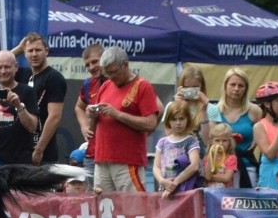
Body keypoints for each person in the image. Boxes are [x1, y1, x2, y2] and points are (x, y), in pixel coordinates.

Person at [88, 46, 159, 192]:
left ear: (125, 64)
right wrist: (92, 116)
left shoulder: (142, 86)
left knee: (133, 210)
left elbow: (151, 123)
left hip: (128, 161)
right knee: (103, 209)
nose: (111, 77)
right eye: (107, 73)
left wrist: (118, 114)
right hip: (102, 159)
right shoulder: (106, 85)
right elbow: (93, 129)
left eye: (113, 72)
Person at [0, 50, 39, 166]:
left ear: (16, 67)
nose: (3, 71)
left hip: (21, 160)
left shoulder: (27, 92)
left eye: (7, 67)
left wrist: (19, 106)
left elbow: (32, 127)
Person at [13, 32, 67, 165]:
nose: (34, 54)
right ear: (25, 53)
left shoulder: (54, 78)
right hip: (21, 147)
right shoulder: (23, 74)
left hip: (44, 151)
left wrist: (39, 149)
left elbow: (54, 117)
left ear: (46, 51)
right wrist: (19, 49)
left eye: (38, 50)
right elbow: (0, 65)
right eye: (30, 51)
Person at [206, 67, 263, 188]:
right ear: (225, 86)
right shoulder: (214, 110)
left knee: (246, 204)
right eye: (232, 84)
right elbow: (209, 139)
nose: (236, 89)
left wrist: (251, 147)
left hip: (247, 167)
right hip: (220, 168)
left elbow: (261, 137)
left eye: (241, 85)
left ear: (246, 88)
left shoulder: (255, 111)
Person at [152, 100, 201, 198]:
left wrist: (175, 182)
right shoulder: (162, 142)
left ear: (188, 119)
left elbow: (194, 166)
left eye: (181, 119)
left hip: (185, 191)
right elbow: (156, 167)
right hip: (164, 190)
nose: (178, 123)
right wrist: (162, 181)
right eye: (174, 119)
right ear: (168, 121)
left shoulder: (191, 141)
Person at [74, 43, 106, 187]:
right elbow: (79, 107)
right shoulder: (88, 84)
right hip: (93, 153)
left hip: (116, 154)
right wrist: (84, 127)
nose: (91, 67)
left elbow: (157, 109)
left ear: (105, 58)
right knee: (96, 202)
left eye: (94, 62)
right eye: (87, 65)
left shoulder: (120, 81)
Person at [163, 67, 212, 152]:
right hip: (176, 156)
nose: (190, 91)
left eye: (195, 87)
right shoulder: (171, 106)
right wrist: (178, 106)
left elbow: (207, 141)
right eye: (186, 87)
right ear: (180, 87)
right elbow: (170, 136)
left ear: (202, 87)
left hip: (200, 158)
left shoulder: (211, 108)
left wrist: (204, 112)